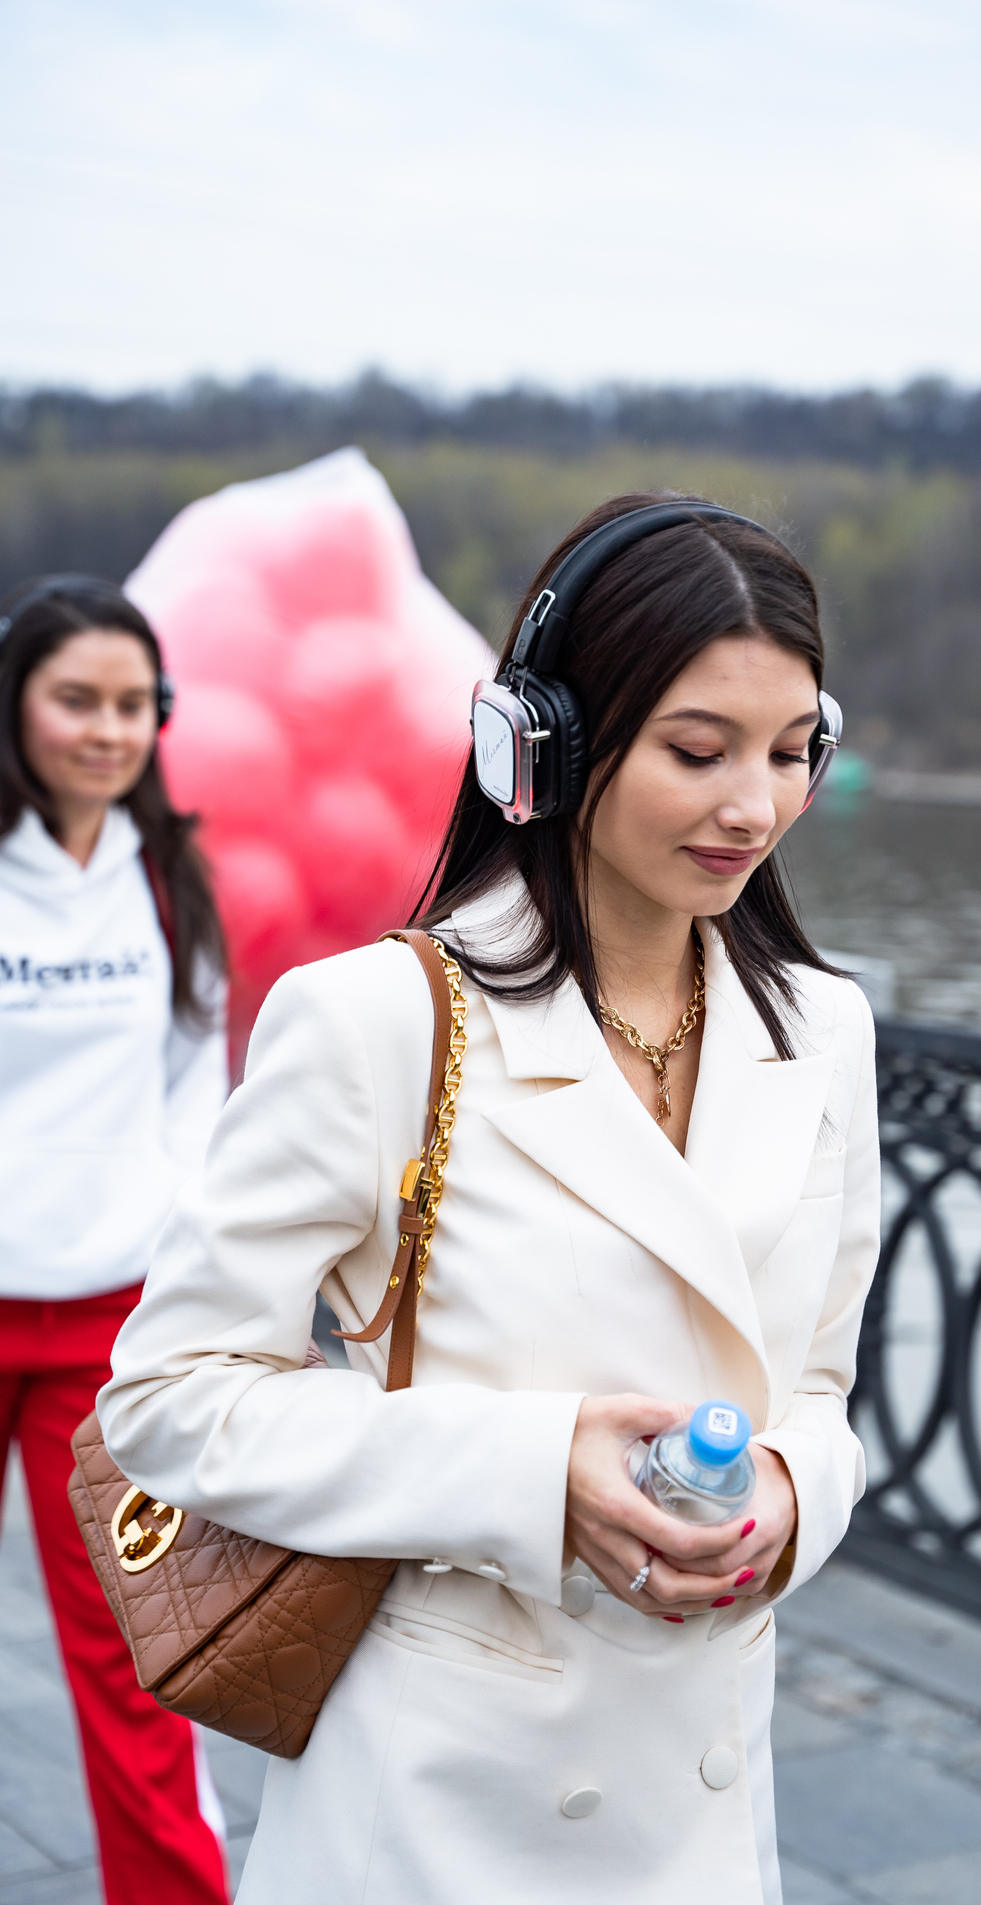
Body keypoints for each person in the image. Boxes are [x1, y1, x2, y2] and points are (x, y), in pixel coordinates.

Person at [99, 494, 881, 1905]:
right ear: (542, 743)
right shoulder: (373, 1020)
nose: (752, 806)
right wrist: (532, 1472)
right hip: (439, 1790)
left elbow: (819, 1385)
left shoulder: (824, 1030)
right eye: (695, 752)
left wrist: (780, 1490)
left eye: (789, 750)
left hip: (702, 1781)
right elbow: (166, 1397)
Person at [0, 576, 231, 1905]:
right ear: (15, 704)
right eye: (75, 698)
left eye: (134, 703)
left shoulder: (165, 872)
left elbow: (194, 1090)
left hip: (105, 1329)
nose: (107, 728)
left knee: (138, 1660)